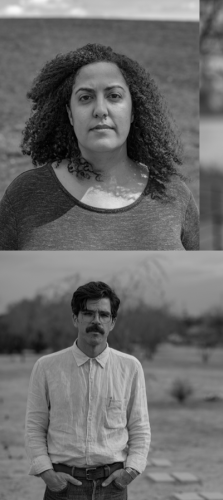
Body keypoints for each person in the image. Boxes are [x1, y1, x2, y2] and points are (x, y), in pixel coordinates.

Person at [0, 43, 199, 250]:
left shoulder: (174, 194)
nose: (100, 110)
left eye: (114, 96)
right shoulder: (25, 194)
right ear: (70, 113)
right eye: (85, 98)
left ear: (133, 110)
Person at [25, 281, 150, 499]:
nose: (96, 321)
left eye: (103, 315)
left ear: (112, 322)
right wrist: (47, 474)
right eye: (88, 313)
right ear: (75, 318)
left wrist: (130, 472)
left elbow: (139, 427)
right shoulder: (46, 367)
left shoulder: (130, 367)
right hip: (62, 487)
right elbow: (35, 427)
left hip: (112, 487)